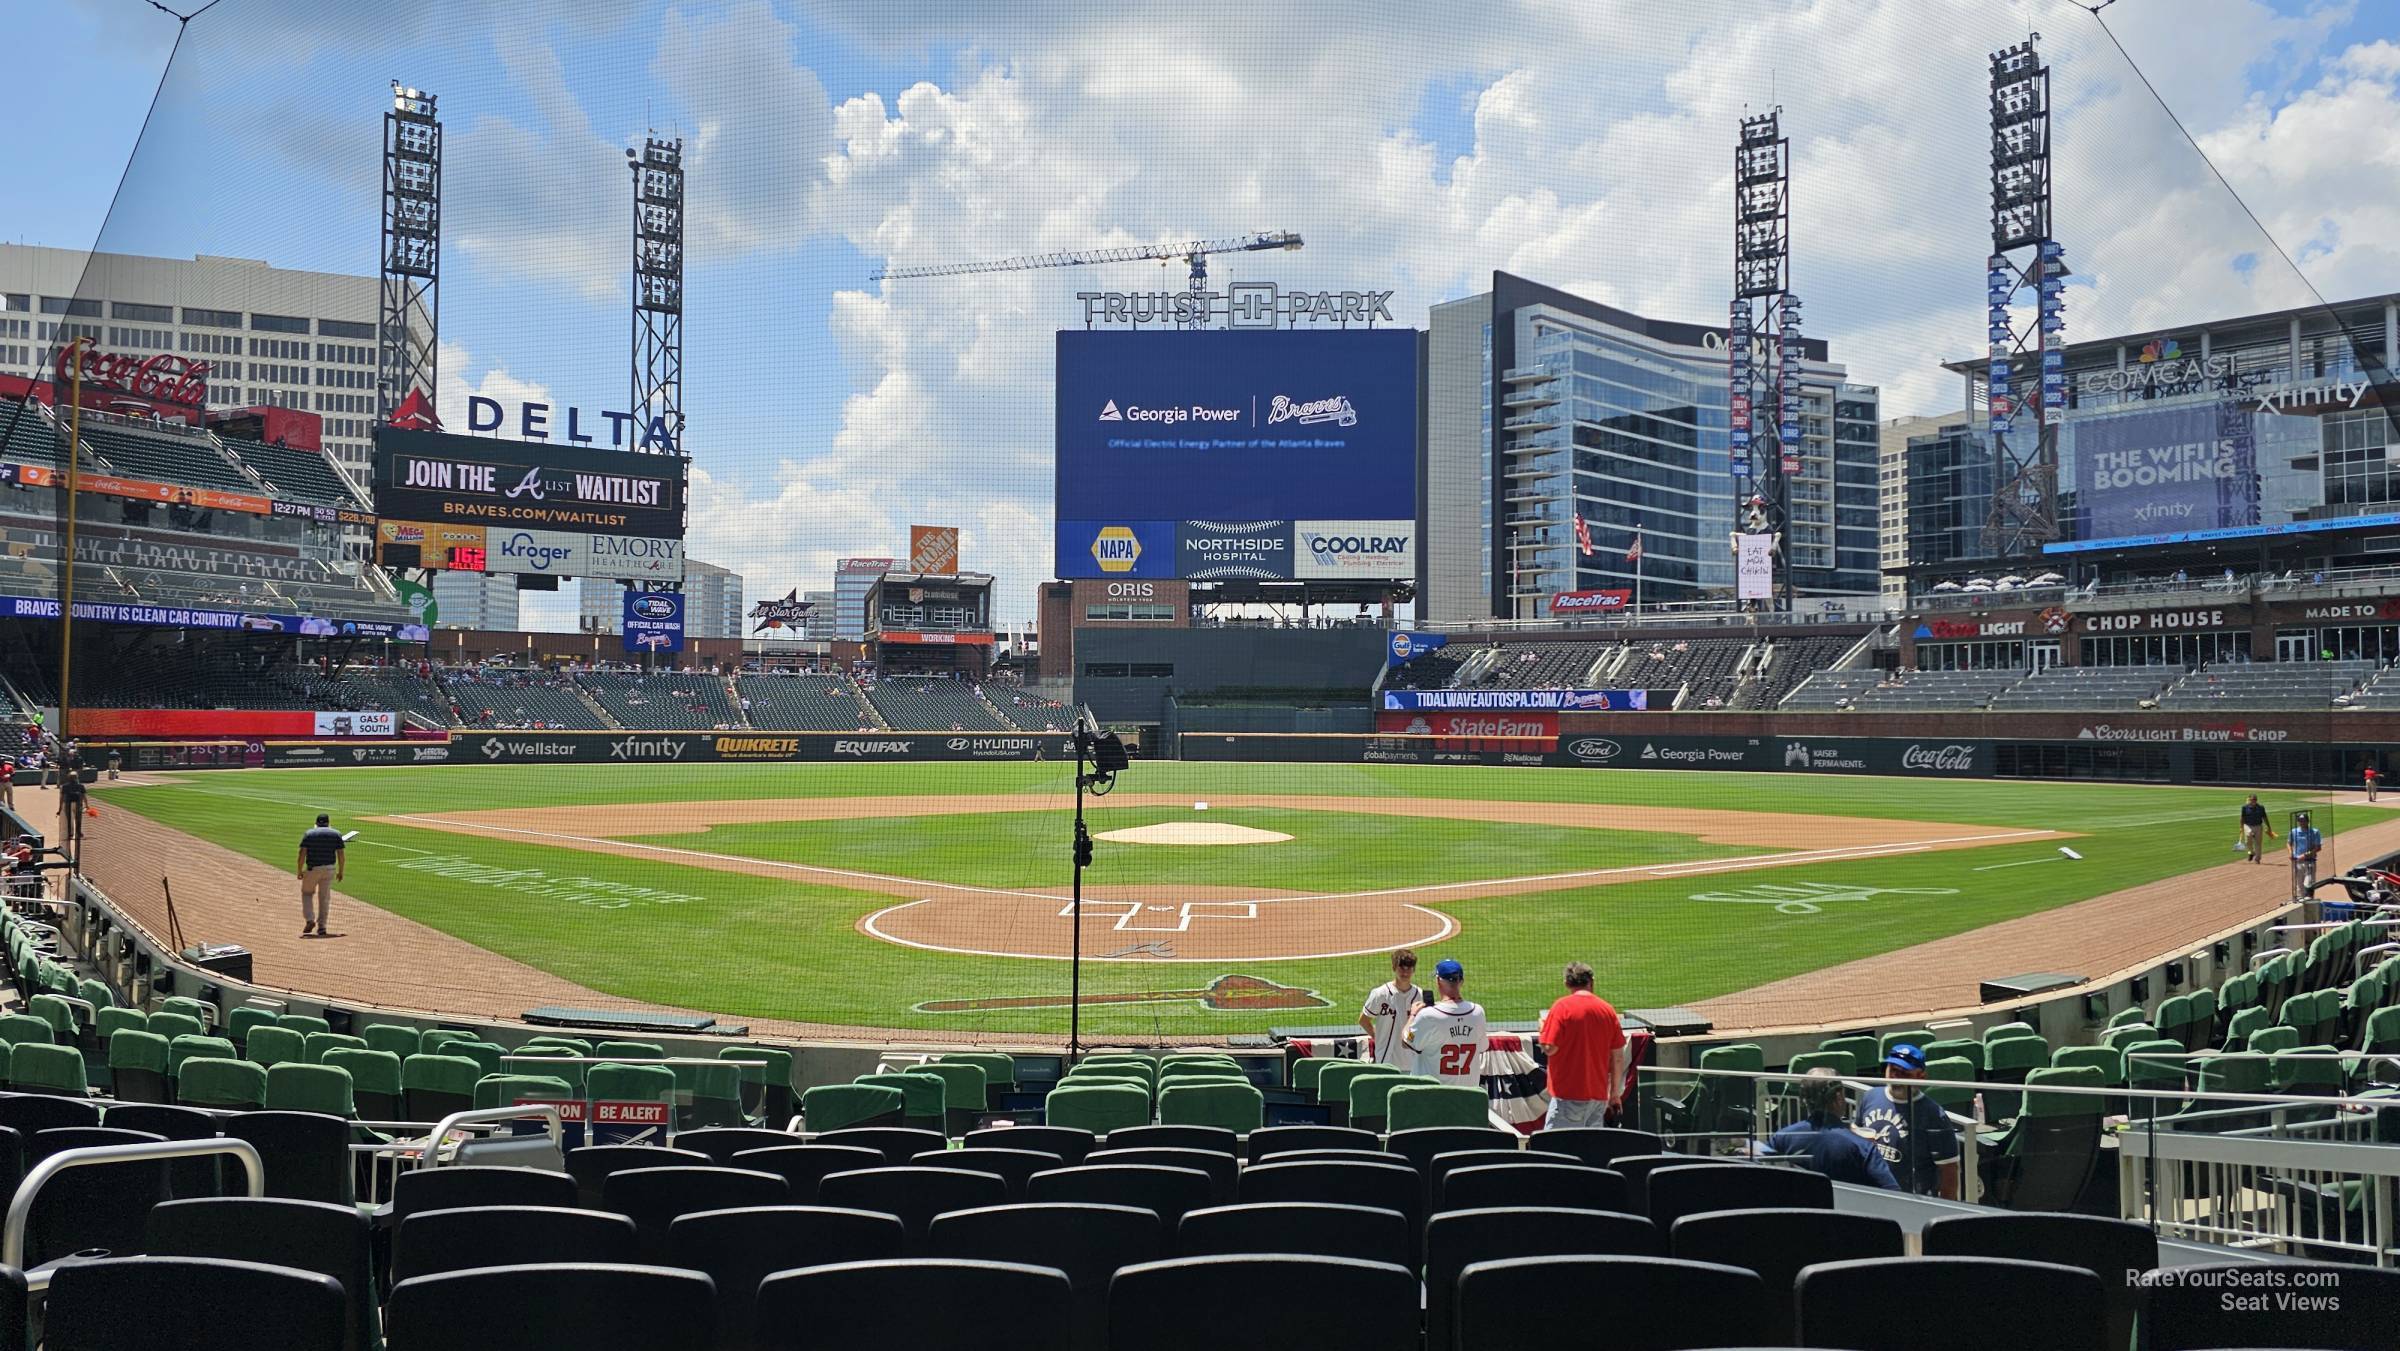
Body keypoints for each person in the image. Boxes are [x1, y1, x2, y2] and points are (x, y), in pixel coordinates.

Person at [1853, 1044, 1960, 1198]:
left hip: (1912, 1199)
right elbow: (1856, 1135)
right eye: (1893, 1071)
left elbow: (1949, 1169)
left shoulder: (1934, 1115)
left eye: (1904, 1073)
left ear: (1921, 1077)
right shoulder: (1870, 1097)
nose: (1896, 1077)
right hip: (1871, 1193)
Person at [1767, 1068, 1897, 1188]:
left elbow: (1762, 1168)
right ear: (1839, 1097)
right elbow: (1892, 1193)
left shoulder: (1781, 1138)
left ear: (1804, 1100)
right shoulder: (1861, 1147)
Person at [1537, 960, 1629, 1129]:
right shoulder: (1607, 1010)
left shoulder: (1562, 1007)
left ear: (1566, 983)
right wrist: (1614, 1094)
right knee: (1588, 1149)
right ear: (1591, 981)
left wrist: (1542, 1030)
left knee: (1555, 1150)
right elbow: (1617, 1057)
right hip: (1598, 1099)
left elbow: (1550, 1048)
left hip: (1568, 1097)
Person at [1403, 958, 1489, 1086]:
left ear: (1438, 981)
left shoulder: (1428, 1015)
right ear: (1461, 982)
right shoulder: (1478, 1012)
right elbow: (1482, 1047)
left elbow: (1406, 1041)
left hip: (1434, 1097)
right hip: (1467, 1096)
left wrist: (1413, 1015)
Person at [1358, 948, 1429, 1068]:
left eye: (1409, 968)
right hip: (1386, 1060)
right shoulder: (1380, 994)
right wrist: (1378, 1037)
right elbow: (1363, 1020)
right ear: (1394, 967)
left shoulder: (1419, 995)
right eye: (1401, 968)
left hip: (1412, 1062)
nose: (1405, 972)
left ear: (1414, 970)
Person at [296, 813, 345, 938]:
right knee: (324, 898)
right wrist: (341, 871)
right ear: (328, 822)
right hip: (329, 869)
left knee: (307, 893)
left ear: (316, 823)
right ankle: (322, 927)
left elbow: (302, 853)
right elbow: (341, 855)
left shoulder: (309, 834)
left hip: (313, 869)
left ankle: (310, 919)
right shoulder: (336, 834)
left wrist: (299, 870)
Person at [2289, 810, 2323, 903]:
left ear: (2308, 821)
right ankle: (2300, 898)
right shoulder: (2294, 831)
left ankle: (2309, 899)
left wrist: (2305, 855)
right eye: (2300, 820)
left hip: (2310, 860)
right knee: (2299, 882)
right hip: (2297, 861)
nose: (2301, 822)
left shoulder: (2314, 832)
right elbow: (2289, 843)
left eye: (2303, 820)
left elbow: (2318, 847)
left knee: (2309, 881)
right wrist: (2291, 852)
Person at [55, 770, 86, 850]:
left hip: (68, 804)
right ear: (76, 778)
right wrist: (87, 805)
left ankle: (70, 834)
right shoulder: (81, 786)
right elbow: (84, 796)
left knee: (70, 819)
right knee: (78, 819)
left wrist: (60, 808)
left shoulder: (65, 786)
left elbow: (62, 798)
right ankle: (78, 833)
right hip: (78, 804)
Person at [2239, 795, 2268, 864]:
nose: (2253, 801)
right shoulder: (2244, 807)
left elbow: (2264, 817)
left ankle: (2257, 858)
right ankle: (2251, 852)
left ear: (2256, 800)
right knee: (2248, 839)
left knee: (2258, 842)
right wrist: (2241, 826)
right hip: (2248, 825)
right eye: (2251, 800)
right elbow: (2242, 817)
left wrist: (2268, 827)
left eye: (2254, 800)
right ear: (2249, 800)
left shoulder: (2261, 808)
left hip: (2258, 826)